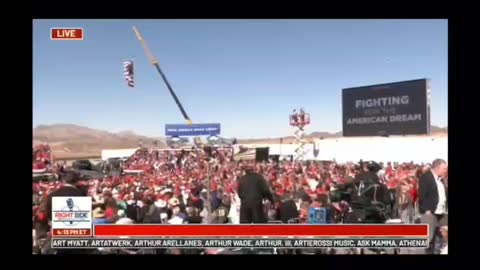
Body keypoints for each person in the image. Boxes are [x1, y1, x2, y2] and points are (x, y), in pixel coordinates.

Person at [419, 159, 448, 254]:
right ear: (437, 167)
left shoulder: (441, 179)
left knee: (443, 234)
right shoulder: (426, 177)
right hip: (430, 212)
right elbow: (422, 195)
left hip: (442, 212)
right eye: (444, 168)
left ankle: (438, 251)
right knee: (429, 237)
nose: (445, 170)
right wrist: (427, 210)